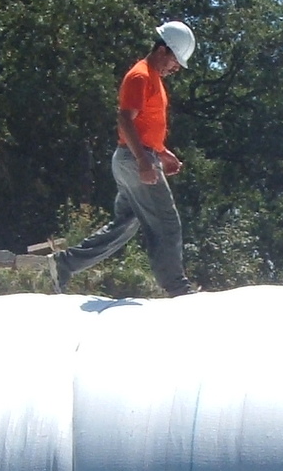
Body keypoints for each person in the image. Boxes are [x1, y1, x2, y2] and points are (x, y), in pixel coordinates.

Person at [51, 21, 198, 297]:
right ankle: (177, 287)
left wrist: (162, 152)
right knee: (166, 221)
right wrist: (144, 162)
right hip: (134, 160)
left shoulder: (154, 78)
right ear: (163, 50)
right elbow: (124, 119)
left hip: (133, 157)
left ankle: (66, 263)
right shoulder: (140, 76)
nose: (176, 68)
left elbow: (144, 125)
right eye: (176, 61)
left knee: (125, 223)